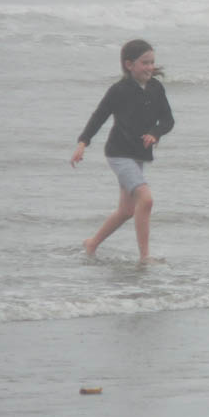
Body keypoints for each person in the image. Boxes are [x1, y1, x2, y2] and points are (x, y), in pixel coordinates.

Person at [70, 39, 174, 263]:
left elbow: (168, 119)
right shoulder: (119, 90)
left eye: (152, 62)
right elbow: (99, 117)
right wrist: (82, 143)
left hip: (139, 154)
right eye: (144, 63)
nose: (149, 67)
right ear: (129, 65)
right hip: (119, 153)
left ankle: (92, 243)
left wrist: (155, 133)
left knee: (127, 210)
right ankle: (145, 256)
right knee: (145, 199)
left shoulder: (156, 88)